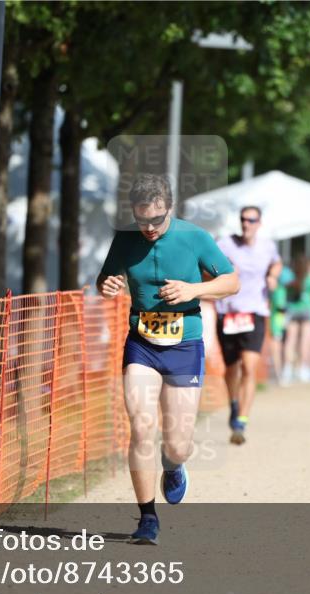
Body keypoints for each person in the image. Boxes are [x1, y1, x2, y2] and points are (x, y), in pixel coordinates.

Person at [97, 173, 239, 545]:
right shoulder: (126, 239)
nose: (149, 229)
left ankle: (174, 465)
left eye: (156, 221)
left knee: (177, 443)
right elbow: (106, 278)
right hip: (141, 343)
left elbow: (231, 281)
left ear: (169, 209)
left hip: (183, 346)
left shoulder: (194, 237)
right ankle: (147, 518)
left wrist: (194, 288)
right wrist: (108, 285)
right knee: (141, 426)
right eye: (142, 220)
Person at [214, 205, 282, 445]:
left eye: (252, 220)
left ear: (259, 223)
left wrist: (273, 276)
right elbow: (206, 265)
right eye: (243, 219)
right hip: (229, 313)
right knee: (231, 368)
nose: (246, 224)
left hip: (255, 312)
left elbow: (277, 263)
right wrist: (220, 272)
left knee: (250, 367)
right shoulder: (225, 244)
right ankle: (234, 404)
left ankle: (242, 420)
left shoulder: (268, 246)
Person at [284, 256, 310, 383]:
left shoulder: (290, 278)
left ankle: (287, 369)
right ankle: (303, 369)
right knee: (305, 341)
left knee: (290, 341)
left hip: (292, 310)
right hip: (307, 310)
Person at [268, 264, 295, 386]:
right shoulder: (282, 290)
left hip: (278, 321)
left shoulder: (279, 290)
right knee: (281, 347)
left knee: (279, 347)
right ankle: (281, 373)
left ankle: (280, 374)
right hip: (280, 321)